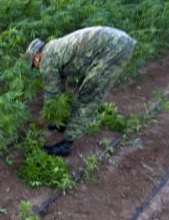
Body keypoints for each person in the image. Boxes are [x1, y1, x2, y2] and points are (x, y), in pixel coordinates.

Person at [25, 26, 136, 157]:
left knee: (86, 98)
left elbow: (52, 97)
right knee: (82, 91)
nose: (36, 68)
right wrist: (55, 119)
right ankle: (63, 125)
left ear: (37, 57)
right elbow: (59, 88)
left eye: (34, 65)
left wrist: (41, 121)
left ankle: (66, 145)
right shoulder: (53, 48)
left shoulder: (46, 61)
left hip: (114, 49)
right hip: (115, 43)